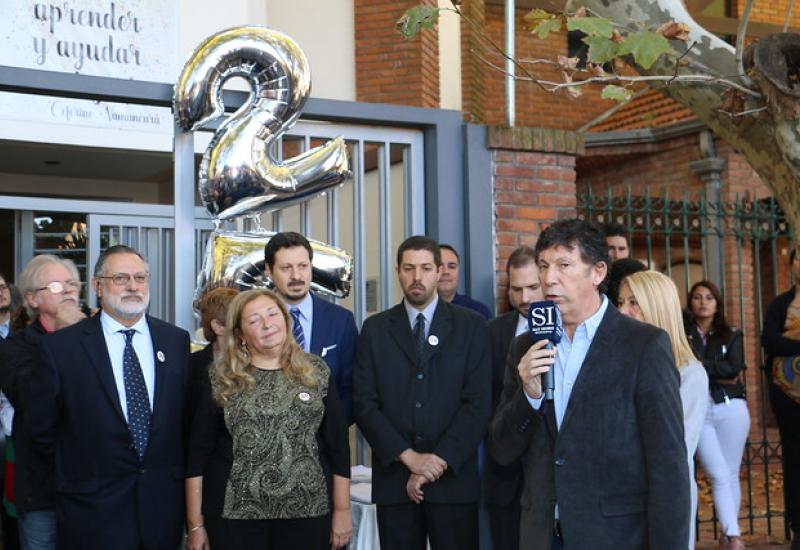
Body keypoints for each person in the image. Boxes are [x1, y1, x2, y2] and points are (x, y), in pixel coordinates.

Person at [489, 218, 689, 550]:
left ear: (597, 272)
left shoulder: (643, 345)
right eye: (543, 266)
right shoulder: (525, 347)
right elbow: (502, 451)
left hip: (615, 537)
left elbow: (668, 466)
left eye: (564, 265)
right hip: (541, 536)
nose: (549, 278)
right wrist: (529, 396)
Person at [25, 245, 191, 549]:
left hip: (161, 511)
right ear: (98, 286)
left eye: (140, 278)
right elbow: (40, 431)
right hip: (92, 512)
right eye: (120, 278)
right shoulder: (61, 348)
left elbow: (182, 422)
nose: (133, 286)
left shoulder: (175, 340)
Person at [354, 236, 491, 550]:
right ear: (398, 272)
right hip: (395, 482)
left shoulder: (471, 326)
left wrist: (436, 462)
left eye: (426, 268)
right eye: (409, 268)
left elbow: (478, 403)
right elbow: (364, 404)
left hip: (453, 481)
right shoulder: (375, 329)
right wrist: (410, 458)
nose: (417, 277)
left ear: (439, 271)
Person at [187, 289, 351, 550]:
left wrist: (342, 510)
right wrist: (195, 524)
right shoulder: (221, 378)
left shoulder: (316, 372)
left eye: (273, 314)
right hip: (234, 517)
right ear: (240, 334)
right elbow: (197, 455)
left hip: (308, 511)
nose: (267, 324)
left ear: (286, 320)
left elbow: (338, 447)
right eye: (254, 320)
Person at [617, 271, 709, 550]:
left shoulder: (691, 374)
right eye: (620, 302)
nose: (622, 311)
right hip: (618, 498)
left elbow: (677, 449)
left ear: (658, 307)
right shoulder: (618, 364)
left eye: (634, 302)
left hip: (663, 497)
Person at [0, 258, 86, 550]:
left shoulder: (99, 338)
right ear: (32, 299)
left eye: (72, 283)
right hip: (42, 490)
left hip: (92, 487)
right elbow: (31, 401)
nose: (68, 290)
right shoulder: (16, 347)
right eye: (56, 285)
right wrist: (63, 338)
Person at [264, 232, 358, 423]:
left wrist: (327, 430)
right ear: (269, 271)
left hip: (326, 437)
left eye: (303, 266)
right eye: (286, 268)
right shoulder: (254, 321)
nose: (296, 276)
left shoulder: (341, 321)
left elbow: (351, 389)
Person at [683, 280, 749, 550]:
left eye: (709, 297)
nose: (703, 302)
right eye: (697, 297)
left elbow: (734, 368)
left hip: (730, 407)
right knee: (719, 473)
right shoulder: (684, 333)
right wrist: (713, 367)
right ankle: (734, 536)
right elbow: (683, 364)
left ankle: (728, 531)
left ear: (717, 303)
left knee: (730, 473)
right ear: (690, 302)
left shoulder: (731, 334)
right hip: (699, 410)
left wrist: (699, 366)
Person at [485, 246, 542, 550]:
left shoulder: (565, 330)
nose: (525, 298)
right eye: (517, 289)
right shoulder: (492, 332)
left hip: (550, 479)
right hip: (505, 477)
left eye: (533, 287)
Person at [185, 287, 238, 549]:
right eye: (239, 319)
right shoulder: (190, 367)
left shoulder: (255, 364)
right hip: (204, 483)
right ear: (217, 326)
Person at [761, 249, 800, 550]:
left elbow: (781, 341)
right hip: (788, 394)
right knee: (795, 460)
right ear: (792, 264)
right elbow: (770, 340)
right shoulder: (780, 304)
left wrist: (792, 340)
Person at [437, 244, 492, 320]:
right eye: (439, 267)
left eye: (452, 267)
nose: (445, 272)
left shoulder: (479, 311)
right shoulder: (421, 311)